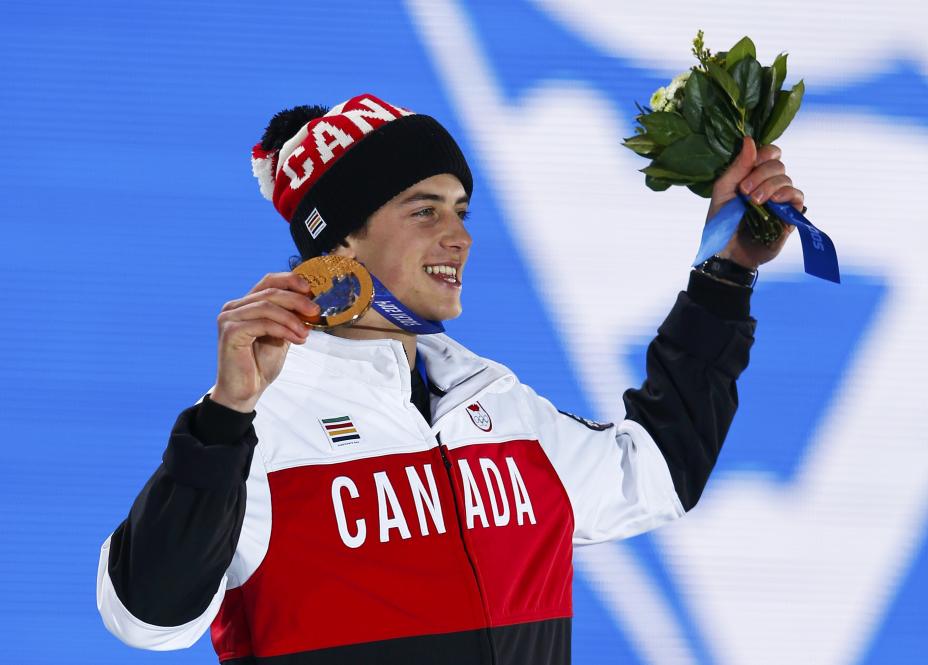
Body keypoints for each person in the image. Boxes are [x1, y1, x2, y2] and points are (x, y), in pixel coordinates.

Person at [96, 93, 803, 664]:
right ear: (340, 240)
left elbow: (658, 469)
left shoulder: (494, 402)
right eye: (425, 210)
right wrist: (225, 417)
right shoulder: (250, 423)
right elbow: (147, 617)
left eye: (461, 210)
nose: (460, 235)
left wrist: (726, 271)